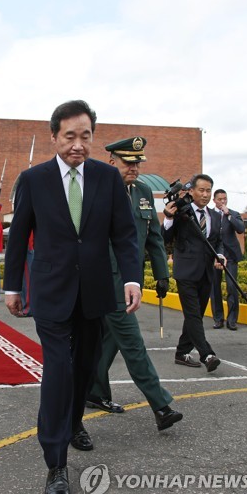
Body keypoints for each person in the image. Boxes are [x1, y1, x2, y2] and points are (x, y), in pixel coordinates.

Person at [4, 100, 141, 494]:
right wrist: (13, 286)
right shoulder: (34, 179)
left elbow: (125, 234)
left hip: (95, 291)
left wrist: (132, 279)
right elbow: (19, 236)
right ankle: (56, 462)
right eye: (70, 136)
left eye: (86, 136)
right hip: (51, 291)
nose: (78, 145)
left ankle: (76, 419)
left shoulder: (107, 178)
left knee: (84, 368)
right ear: (54, 137)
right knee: (59, 371)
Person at [86, 137, 182, 431]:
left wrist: (162, 275)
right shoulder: (95, 189)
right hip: (105, 281)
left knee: (110, 338)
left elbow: (152, 235)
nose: (135, 168)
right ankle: (161, 405)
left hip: (130, 282)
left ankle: (95, 391)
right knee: (132, 342)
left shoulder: (141, 191)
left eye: (138, 162)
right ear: (112, 160)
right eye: (129, 162)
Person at [162, 174, 225, 373]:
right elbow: (166, 237)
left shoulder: (214, 216)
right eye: (201, 190)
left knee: (195, 315)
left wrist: (220, 255)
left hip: (207, 272)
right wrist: (169, 218)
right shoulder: (181, 211)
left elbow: (217, 241)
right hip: (186, 272)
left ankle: (181, 352)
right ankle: (207, 354)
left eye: (208, 191)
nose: (205, 194)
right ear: (192, 191)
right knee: (193, 314)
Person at [210, 189, 245, 330]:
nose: (223, 201)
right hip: (215, 257)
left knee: (231, 286)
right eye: (220, 199)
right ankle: (218, 319)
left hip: (230, 256)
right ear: (214, 200)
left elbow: (241, 229)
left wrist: (228, 214)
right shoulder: (210, 214)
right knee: (215, 288)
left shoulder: (233, 214)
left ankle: (232, 320)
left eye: (225, 199)